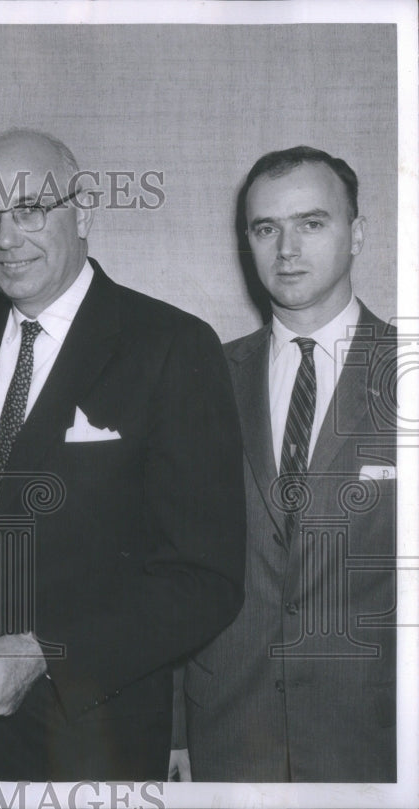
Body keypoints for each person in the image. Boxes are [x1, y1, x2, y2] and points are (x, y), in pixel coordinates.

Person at [0, 129, 246, 781]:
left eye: (30, 209)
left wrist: (47, 652)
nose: (6, 239)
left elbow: (205, 580)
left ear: (83, 209)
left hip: (86, 748)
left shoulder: (172, 347)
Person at [175, 146, 397, 782]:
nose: (286, 249)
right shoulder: (202, 377)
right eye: (265, 228)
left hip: (376, 737)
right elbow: (168, 563)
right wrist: (171, 730)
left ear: (356, 234)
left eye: (312, 223)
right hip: (226, 736)